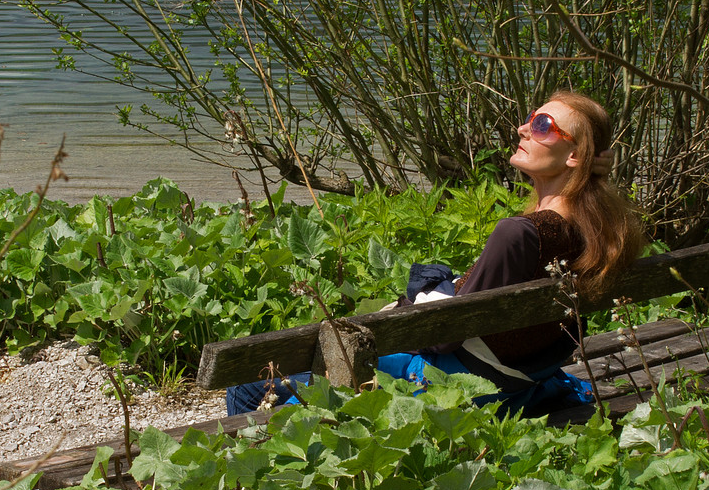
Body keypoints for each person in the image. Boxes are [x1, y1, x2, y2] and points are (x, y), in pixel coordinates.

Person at [225, 88, 644, 416]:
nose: (522, 128)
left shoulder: (518, 233)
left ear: (575, 155)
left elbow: (445, 337)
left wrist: (410, 305)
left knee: (248, 383)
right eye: (530, 119)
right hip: (522, 379)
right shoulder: (602, 231)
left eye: (543, 125)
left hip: (459, 383)